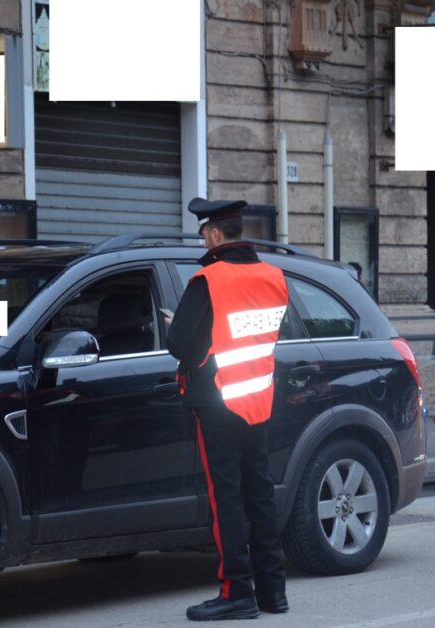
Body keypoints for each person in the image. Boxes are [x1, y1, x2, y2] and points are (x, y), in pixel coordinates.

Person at [167, 198, 290, 621]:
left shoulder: (209, 279)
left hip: (218, 400)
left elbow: (180, 345)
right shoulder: (274, 276)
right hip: (257, 398)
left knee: (227, 499)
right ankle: (273, 591)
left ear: (215, 234)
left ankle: (236, 591)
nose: (204, 239)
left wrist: (175, 326)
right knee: (260, 493)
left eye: (204, 233)